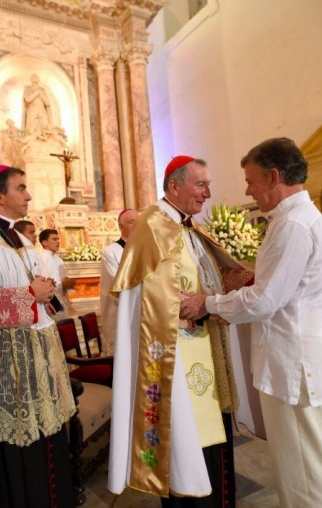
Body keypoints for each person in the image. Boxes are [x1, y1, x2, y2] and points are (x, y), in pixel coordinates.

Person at [205, 138, 322, 508]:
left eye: (251, 181)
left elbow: (265, 300)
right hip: (296, 358)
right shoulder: (294, 218)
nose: (247, 191)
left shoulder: (293, 224)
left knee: (305, 471)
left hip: (293, 363)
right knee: (306, 463)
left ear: (273, 176)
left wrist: (208, 304)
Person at [109, 156, 252, 507]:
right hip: (178, 357)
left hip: (207, 347)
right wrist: (191, 309)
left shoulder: (188, 227)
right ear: (174, 186)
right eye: (200, 184)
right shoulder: (153, 226)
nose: (208, 193)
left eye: (208, 184)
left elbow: (214, 277)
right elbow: (141, 301)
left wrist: (223, 298)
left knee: (213, 444)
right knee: (186, 447)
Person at [0, 164, 76, 508]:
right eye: (20, 188)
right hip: (7, 370)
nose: (29, 195)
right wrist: (31, 294)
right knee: (12, 452)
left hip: (36, 365)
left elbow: (35, 291)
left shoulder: (21, 240)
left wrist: (43, 292)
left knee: (45, 444)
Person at [99, 208, 138, 356]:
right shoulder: (111, 251)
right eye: (132, 222)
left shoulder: (145, 250)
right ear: (121, 227)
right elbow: (119, 286)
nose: (137, 226)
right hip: (120, 314)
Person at [38, 228, 75, 315]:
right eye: (54, 239)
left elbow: (62, 277)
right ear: (44, 242)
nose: (58, 242)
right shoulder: (41, 258)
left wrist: (68, 283)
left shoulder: (58, 258)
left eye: (58, 239)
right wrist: (61, 285)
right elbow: (44, 281)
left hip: (61, 297)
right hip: (50, 301)